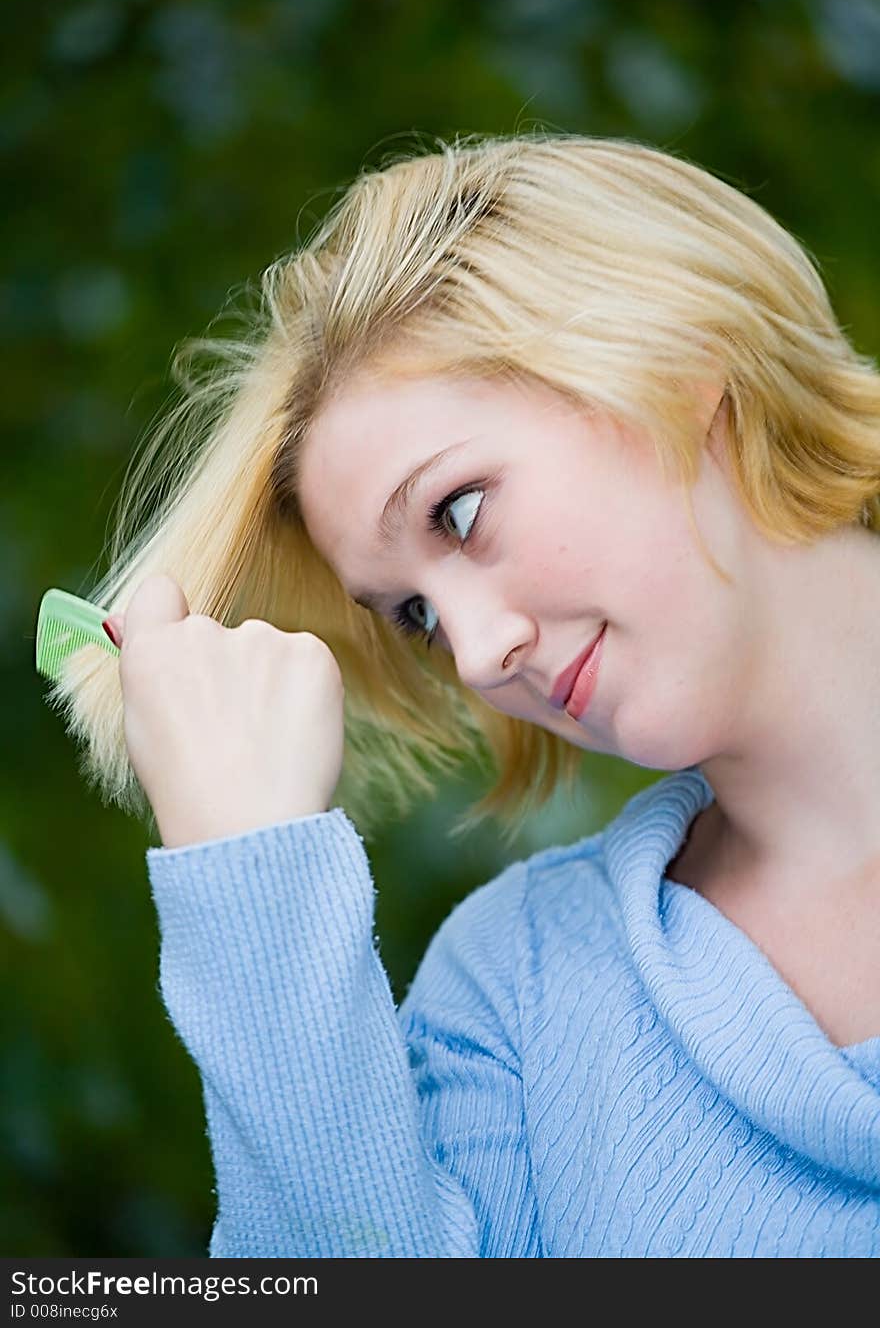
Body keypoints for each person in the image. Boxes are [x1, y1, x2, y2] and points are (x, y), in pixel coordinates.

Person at [54, 133, 880, 1256]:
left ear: (672, 357)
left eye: (457, 512)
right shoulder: (517, 992)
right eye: (416, 619)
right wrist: (249, 873)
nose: (481, 656)